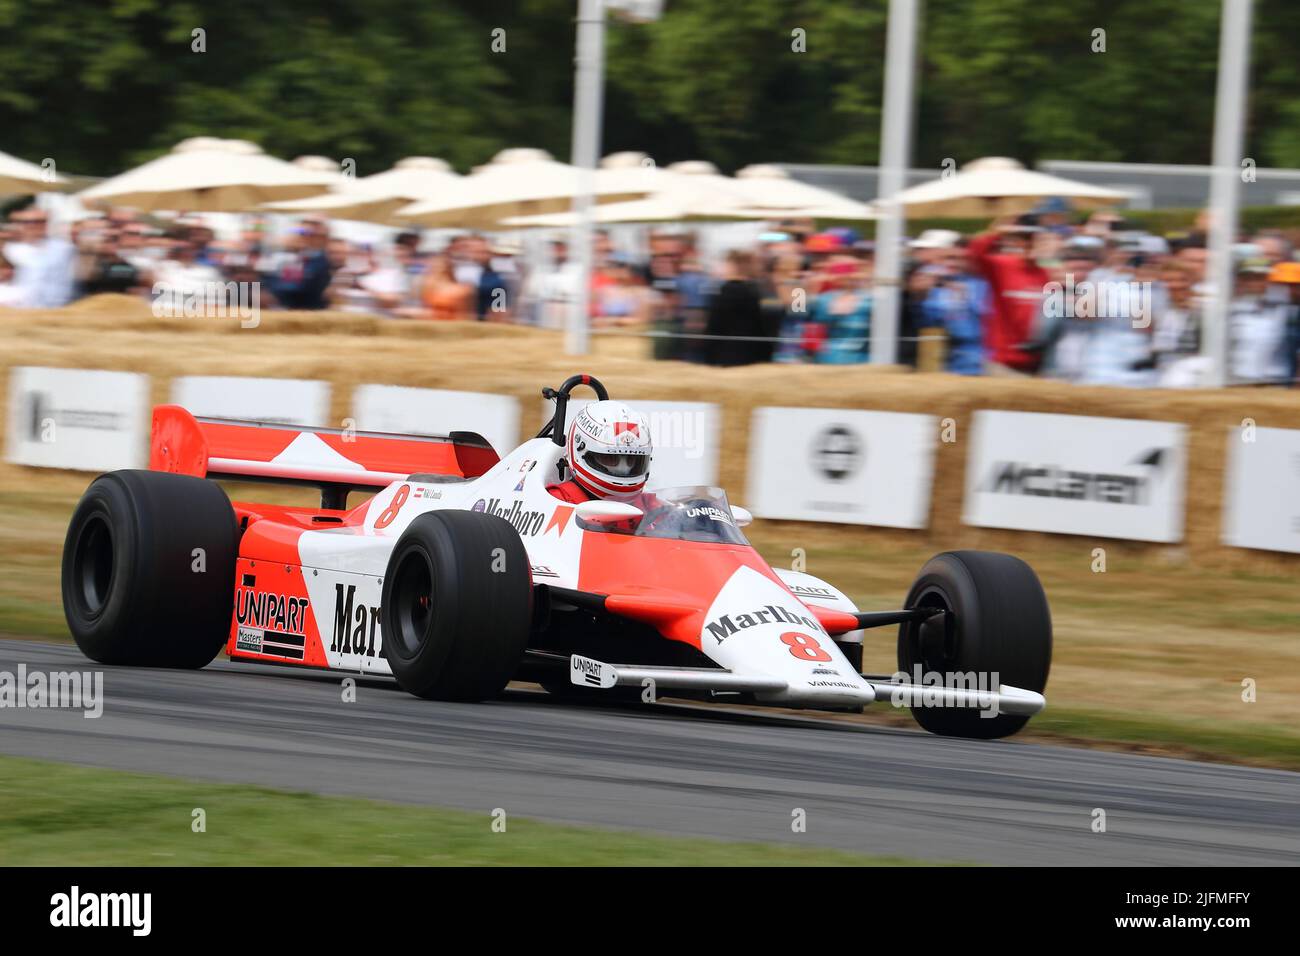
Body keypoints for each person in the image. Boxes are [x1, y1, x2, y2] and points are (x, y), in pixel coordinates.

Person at [547, 401, 653, 504]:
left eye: (631, 460)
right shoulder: (555, 502)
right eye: (610, 459)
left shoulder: (647, 504)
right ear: (580, 452)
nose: (624, 469)